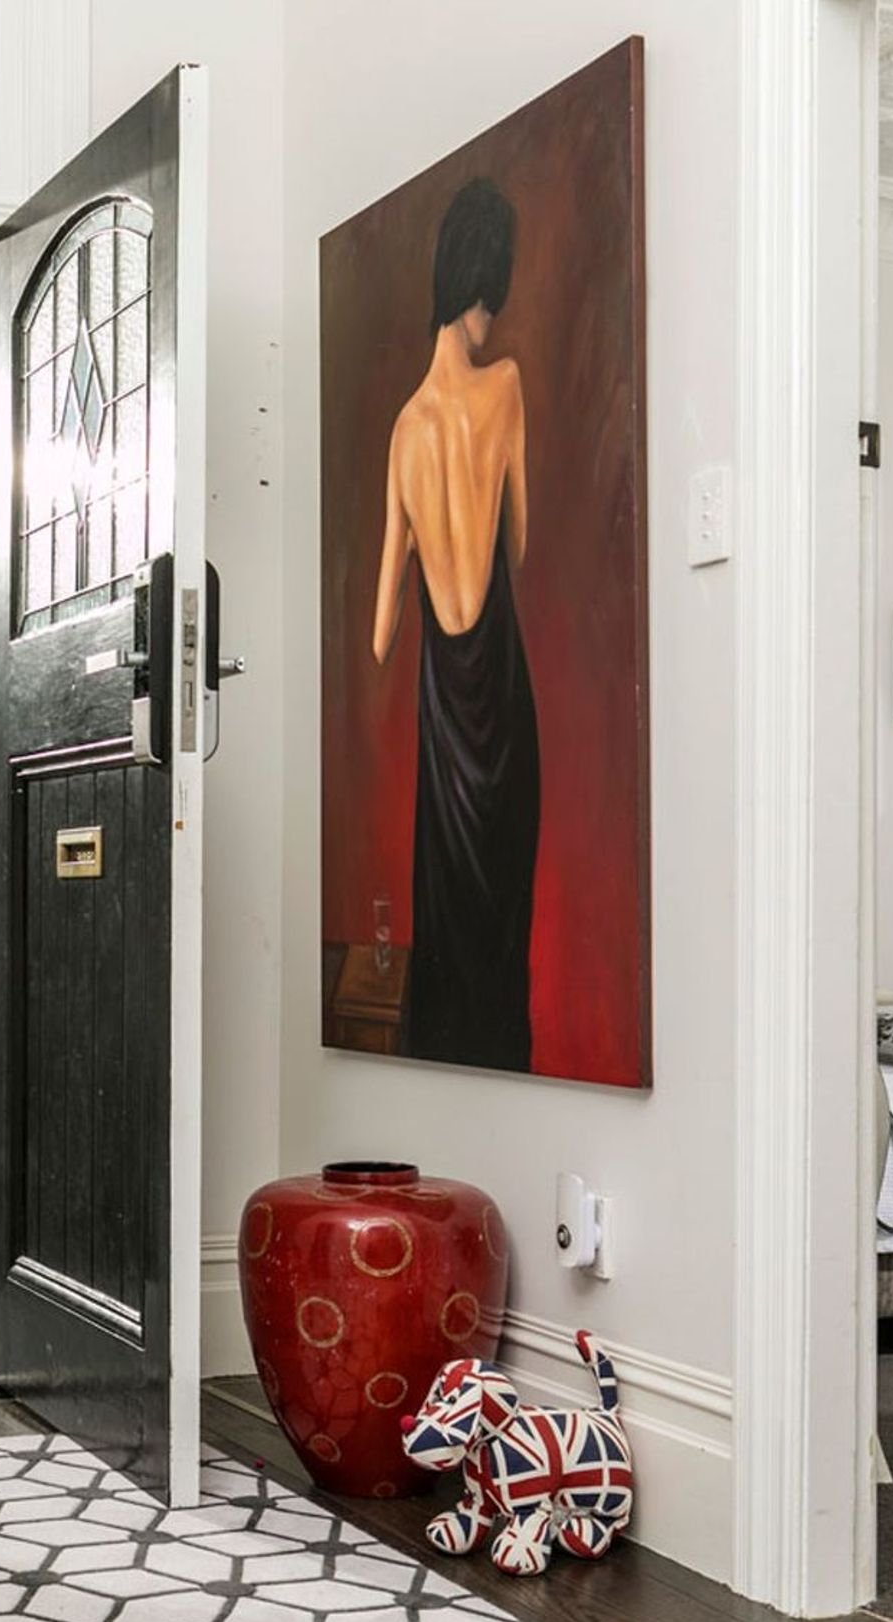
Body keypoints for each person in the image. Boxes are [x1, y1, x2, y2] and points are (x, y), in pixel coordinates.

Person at [371, 176, 539, 1071]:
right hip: (499, 689)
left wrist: (422, 545)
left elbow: (378, 632)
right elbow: (521, 537)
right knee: (504, 908)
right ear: (481, 285)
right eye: (491, 298)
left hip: (443, 701)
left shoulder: (403, 429)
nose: (492, 318)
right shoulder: (506, 386)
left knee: (449, 908)